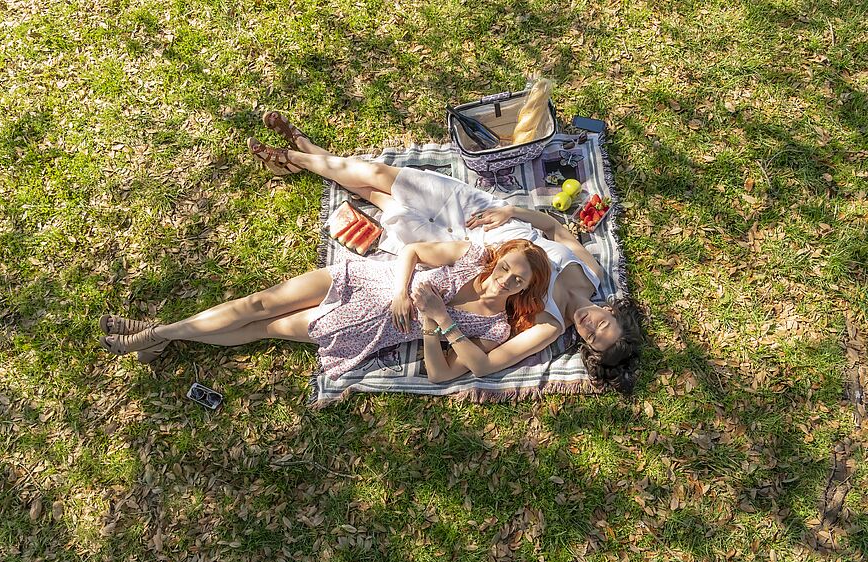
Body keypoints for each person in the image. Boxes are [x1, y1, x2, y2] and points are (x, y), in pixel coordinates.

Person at [247, 111, 641, 391]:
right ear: (611, 311)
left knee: (387, 203)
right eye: (603, 325)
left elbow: (482, 362)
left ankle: (301, 155)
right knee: (385, 178)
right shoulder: (592, 274)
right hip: (488, 221)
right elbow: (555, 226)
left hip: (467, 259)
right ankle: (300, 155)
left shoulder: (548, 325)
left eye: (591, 338)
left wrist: (441, 323)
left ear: (585, 346)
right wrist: (510, 210)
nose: (590, 326)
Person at [99, 238, 551, 383]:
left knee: (265, 327)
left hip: (362, 326)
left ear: (527, 290)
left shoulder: (494, 325)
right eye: (508, 266)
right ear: (501, 257)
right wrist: (400, 292)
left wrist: (436, 323)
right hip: (363, 280)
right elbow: (412, 251)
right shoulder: (472, 255)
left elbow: (442, 374)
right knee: (254, 302)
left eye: (519, 280)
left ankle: (155, 336)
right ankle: (156, 335)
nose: (506, 278)